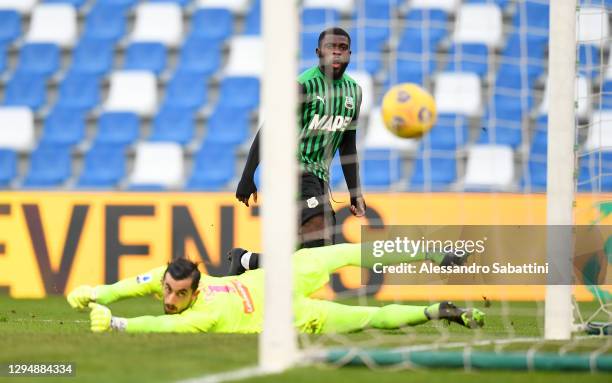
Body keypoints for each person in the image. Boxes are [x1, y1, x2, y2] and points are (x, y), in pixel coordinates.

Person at [67, 244, 485, 333]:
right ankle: (436, 309)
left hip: (280, 283)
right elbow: (135, 284)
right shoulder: (190, 296)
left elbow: (163, 329)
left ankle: (434, 251)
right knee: (369, 318)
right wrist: (99, 293)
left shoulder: (202, 313)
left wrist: (118, 324)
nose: (170, 300)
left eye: (179, 294)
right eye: (168, 292)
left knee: (353, 250)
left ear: (195, 289)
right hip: (286, 307)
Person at [235, 27, 366, 257]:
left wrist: (355, 192)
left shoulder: (353, 92)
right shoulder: (303, 85)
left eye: (342, 48)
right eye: (330, 47)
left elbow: (347, 145)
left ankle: (247, 262)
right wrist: (248, 176)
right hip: (291, 170)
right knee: (318, 230)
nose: (336, 53)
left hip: (319, 177)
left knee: (314, 249)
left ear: (349, 54)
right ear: (318, 52)